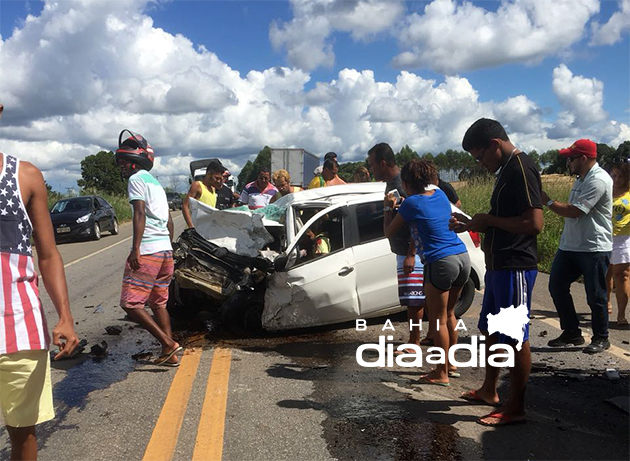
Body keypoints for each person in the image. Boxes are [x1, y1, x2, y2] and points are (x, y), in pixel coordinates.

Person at [0, 103, 79, 460]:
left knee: (23, 434)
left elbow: (47, 254)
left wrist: (65, 315)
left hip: (19, 329)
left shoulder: (26, 176)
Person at [452, 118, 543, 426]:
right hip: (498, 267)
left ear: (495, 145)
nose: (481, 164)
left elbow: (534, 224)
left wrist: (489, 221)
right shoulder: (506, 171)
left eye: (480, 157)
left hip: (516, 266)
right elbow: (504, 217)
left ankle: (515, 407)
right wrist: (472, 224)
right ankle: (489, 390)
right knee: (491, 331)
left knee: (516, 336)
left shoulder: (521, 169)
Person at [385, 159, 470, 387]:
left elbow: (389, 232)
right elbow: (427, 208)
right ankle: (451, 365)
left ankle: (440, 373)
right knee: (450, 315)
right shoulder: (441, 194)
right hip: (462, 256)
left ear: (405, 182)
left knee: (439, 320)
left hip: (440, 261)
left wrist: (388, 207)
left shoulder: (410, 203)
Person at [115, 130, 182, 367]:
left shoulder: (136, 181)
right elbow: (170, 220)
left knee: (130, 303)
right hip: (165, 251)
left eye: (124, 162)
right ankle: (171, 355)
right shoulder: (156, 184)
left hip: (149, 249)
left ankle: (168, 344)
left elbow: (139, 213)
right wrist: (169, 249)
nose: (122, 167)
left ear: (134, 162)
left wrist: (136, 248)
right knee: (158, 303)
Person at [543, 139, 613, 354]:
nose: (568, 162)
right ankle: (572, 331)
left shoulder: (599, 180)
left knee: (596, 295)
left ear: (584, 158)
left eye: (571, 158)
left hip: (594, 247)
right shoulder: (581, 178)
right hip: (571, 246)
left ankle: (601, 337)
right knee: (556, 285)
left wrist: (547, 201)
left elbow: (575, 211)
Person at [368, 143, 428, 351]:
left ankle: (414, 341)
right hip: (405, 250)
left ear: (383, 163)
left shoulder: (401, 185)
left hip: (409, 251)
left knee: (414, 299)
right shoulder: (393, 183)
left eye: (372, 164)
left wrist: (411, 254)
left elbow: (415, 221)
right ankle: (426, 337)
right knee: (417, 298)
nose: (370, 169)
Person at [606, 159, 630, 325]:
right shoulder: (604, 190)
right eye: (613, 175)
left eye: (620, 176)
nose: (616, 179)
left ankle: (621, 314)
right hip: (602, 237)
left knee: (622, 276)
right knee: (605, 274)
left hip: (623, 238)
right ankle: (605, 304)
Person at [182, 159, 235, 228]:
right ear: (208, 174)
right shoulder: (198, 186)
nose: (218, 181)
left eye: (220, 179)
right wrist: (191, 227)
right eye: (216, 178)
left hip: (208, 230)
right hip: (195, 231)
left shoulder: (213, 188)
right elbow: (185, 206)